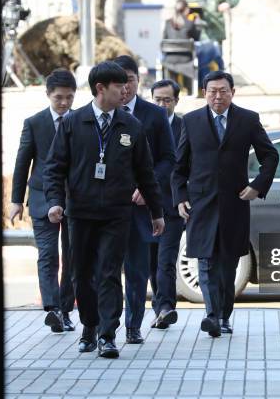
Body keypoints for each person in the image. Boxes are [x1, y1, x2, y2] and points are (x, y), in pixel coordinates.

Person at [43, 61, 165, 358]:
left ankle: (107, 335)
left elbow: (146, 172)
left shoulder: (131, 126)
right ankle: (89, 327)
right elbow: (54, 168)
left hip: (116, 213)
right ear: (100, 89)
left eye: (127, 85)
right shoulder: (74, 123)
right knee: (81, 275)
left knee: (110, 272)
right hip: (80, 213)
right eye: (118, 86)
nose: (125, 91)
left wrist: (156, 211)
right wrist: (55, 201)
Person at [172, 71, 278, 336]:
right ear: (205, 93)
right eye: (211, 91)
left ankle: (224, 315)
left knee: (227, 266)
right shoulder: (192, 120)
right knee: (205, 263)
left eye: (222, 91)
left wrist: (257, 186)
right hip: (202, 204)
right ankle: (212, 315)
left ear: (232, 92)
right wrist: (180, 197)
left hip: (234, 204)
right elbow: (179, 166)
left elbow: (270, 156)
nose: (217, 96)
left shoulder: (248, 119)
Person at [113, 55, 175, 344]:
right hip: (107, 206)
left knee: (137, 271)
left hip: (141, 206)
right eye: (120, 81)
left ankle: (133, 325)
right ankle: (104, 326)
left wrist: (148, 189)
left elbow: (167, 159)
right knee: (108, 271)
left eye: (130, 80)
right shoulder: (99, 114)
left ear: (139, 81)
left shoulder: (154, 114)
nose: (125, 87)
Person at [10, 68, 76, 333]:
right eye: (59, 97)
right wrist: (16, 200)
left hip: (74, 199)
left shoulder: (82, 121)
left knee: (72, 257)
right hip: (40, 197)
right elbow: (22, 162)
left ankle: (67, 309)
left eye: (69, 98)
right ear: (48, 94)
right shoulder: (34, 123)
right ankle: (53, 309)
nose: (64, 103)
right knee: (47, 255)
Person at [149, 79, 184, 329]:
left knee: (166, 260)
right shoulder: (143, 123)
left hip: (172, 205)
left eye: (167, 100)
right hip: (145, 205)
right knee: (151, 261)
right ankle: (158, 307)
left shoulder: (186, 127)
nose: (162, 104)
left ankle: (166, 307)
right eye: (158, 100)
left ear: (176, 101)